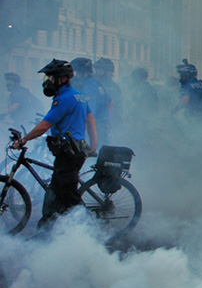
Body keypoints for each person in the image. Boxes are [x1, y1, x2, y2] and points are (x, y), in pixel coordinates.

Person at [10, 59, 97, 228]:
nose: (48, 82)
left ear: (63, 79)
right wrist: (93, 144)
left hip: (69, 153)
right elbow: (91, 119)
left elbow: (44, 126)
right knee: (54, 191)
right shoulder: (77, 95)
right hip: (73, 150)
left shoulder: (64, 100)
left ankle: (90, 230)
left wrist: (23, 140)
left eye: (51, 78)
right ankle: (46, 227)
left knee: (68, 195)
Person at [70, 57, 112, 144]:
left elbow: (89, 115)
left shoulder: (89, 88)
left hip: (93, 131)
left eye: (76, 73)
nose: (74, 76)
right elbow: (110, 102)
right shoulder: (96, 84)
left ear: (84, 73)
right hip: (101, 128)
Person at [94, 58, 122, 136]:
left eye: (100, 70)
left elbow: (117, 107)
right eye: (97, 70)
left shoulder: (113, 87)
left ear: (109, 72)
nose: (97, 73)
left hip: (107, 123)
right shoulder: (93, 85)